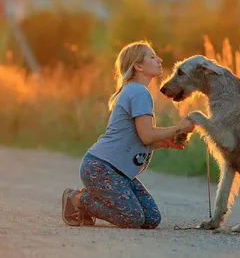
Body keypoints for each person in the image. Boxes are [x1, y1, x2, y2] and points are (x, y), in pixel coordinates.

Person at [61, 40, 195, 229]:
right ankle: (78, 199)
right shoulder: (138, 93)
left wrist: (166, 143)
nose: (159, 59)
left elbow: (137, 139)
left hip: (119, 173)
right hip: (101, 168)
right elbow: (147, 136)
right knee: (131, 218)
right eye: (152, 56)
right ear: (138, 66)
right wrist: (180, 128)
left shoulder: (136, 91)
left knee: (151, 219)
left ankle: (96, 197)